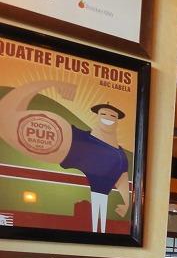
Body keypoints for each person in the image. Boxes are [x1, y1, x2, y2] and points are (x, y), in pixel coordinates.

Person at [0, 80, 130, 233]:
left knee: (99, 227)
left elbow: (122, 177)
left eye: (112, 115)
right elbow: (6, 119)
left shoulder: (120, 156)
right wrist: (51, 84)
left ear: (117, 119)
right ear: (97, 116)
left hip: (100, 196)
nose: (108, 118)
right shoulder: (73, 137)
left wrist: (127, 203)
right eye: (104, 114)